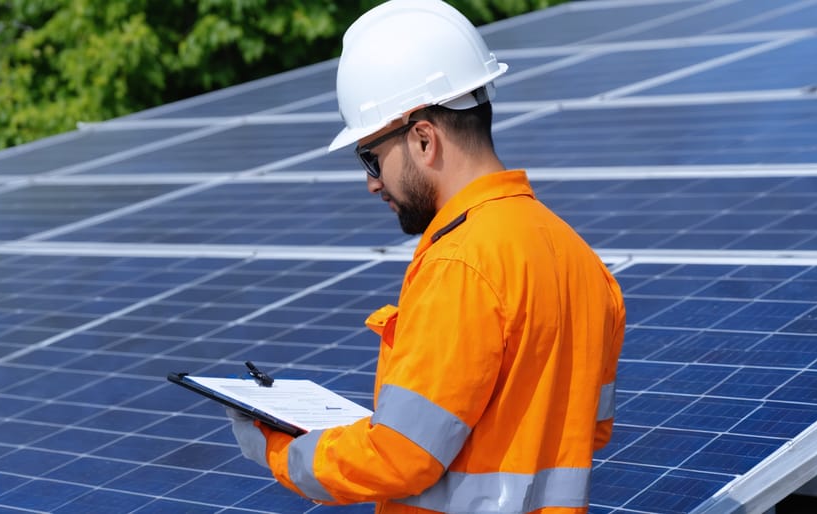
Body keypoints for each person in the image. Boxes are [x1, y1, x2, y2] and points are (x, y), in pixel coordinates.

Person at [227, 1, 625, 512]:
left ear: (422, 139)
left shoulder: (460, 265)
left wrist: (278, 449)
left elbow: (399, 456)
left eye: (371, 157)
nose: (372, 182)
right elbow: (590, 431)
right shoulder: (582, 262)